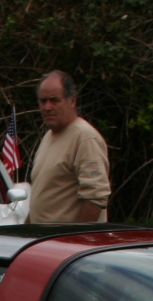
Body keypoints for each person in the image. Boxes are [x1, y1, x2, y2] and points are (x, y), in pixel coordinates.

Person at [27, 71, 111, 223]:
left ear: (72, 101)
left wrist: (76, 240)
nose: (47, 107)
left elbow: (95, 197)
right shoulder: (48, 137)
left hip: (65, 243)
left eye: (54, 100)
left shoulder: (85, 137)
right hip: (41, 241)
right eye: (43, 101)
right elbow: (40, 199)